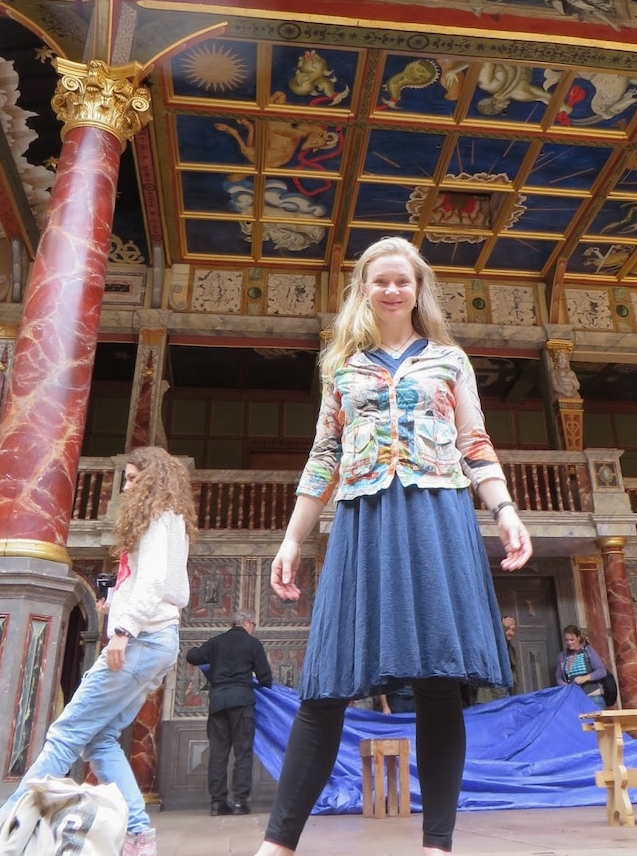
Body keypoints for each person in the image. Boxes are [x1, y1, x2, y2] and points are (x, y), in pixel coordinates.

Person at [252, 236, 533, 856]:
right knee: (325, 681)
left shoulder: (451, 361)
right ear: (363, 290)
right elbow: (324, 453)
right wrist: (293, 538)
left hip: (439, 515)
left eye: (402, 280)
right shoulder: (343, 368)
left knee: (438, 681)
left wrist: (505, 510)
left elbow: (474, 442)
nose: (391, 290)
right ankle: (277, 845)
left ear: (418, 288)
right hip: (361, 518)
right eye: (379, 280)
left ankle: (437, 844)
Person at [0, 446, 196, 856]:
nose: (127, 485)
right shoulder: (173, 521)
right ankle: (138, 836)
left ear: (153, 479)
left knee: (67, 733)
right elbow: (155, 584)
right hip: (157, 639)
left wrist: (122, 629)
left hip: (140, 640)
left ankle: (8, 828)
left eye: (134, 478)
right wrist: (117, 604)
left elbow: (155, 582)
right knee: (101, 740)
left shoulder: (159, 519)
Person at [186, 610, 272, 816]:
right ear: (248, 623)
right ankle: (240, 803)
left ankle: (217, 803)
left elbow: (192, 656)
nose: (253, 629)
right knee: (242, 753)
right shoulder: (253, 644)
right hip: (242, 703)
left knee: (218, 754)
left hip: (218, 704)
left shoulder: (216, 642)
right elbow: (265, 678)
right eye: (254, 625)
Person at [555, 624, 608, 708]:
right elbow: (558, 677)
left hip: (593, 697)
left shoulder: (588, 651)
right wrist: (563, 685)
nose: (569, 643)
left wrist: (585, 678)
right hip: (574, 699)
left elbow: (602, 671)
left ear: (578, 637)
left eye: (572, 640)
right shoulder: (562, 656)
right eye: (567, 640)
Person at [475, 614, 518, 703]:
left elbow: (514, 673)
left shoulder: (511, 650)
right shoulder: (491, 646)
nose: (510, 632)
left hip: (506, 693)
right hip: (489, 696)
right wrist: (502, 626)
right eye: (507, 629)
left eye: (513, 630)